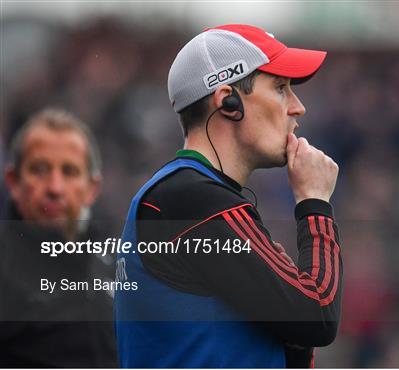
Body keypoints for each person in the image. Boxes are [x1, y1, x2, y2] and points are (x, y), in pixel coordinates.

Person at [114, 24, 342, 368]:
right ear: (229, 102)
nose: (298, 108)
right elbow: (317, 314)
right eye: (281, 88)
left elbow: (290, 342)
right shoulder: (192, 200)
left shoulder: (186, 196)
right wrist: (315, 203)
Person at [0, 108, 118, 367]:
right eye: (39, 170)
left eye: (70, 172)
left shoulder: (115, 261)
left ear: (92, 188)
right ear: (13, 182)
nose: (55, 187)